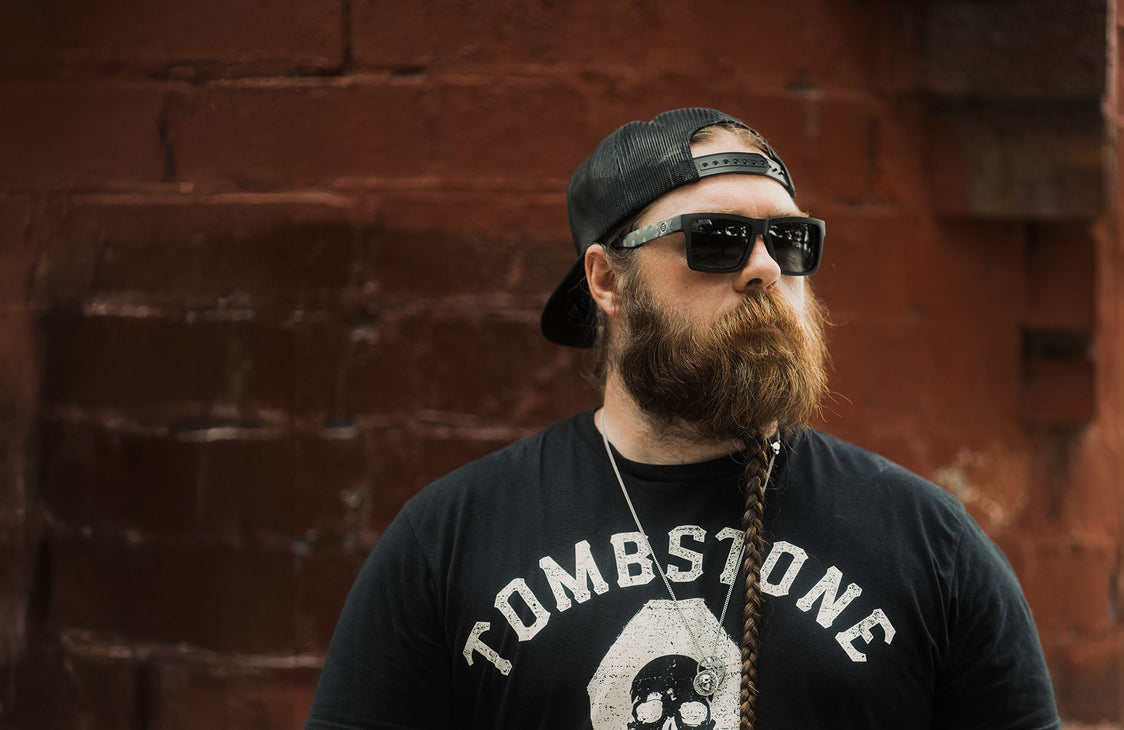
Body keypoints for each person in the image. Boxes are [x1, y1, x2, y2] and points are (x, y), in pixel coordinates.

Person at [306, 108, 1060, 730]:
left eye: (790, 241)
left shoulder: (928, 546)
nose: (764, 268)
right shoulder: (449, 541)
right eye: (716, 240)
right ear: (606, 279)